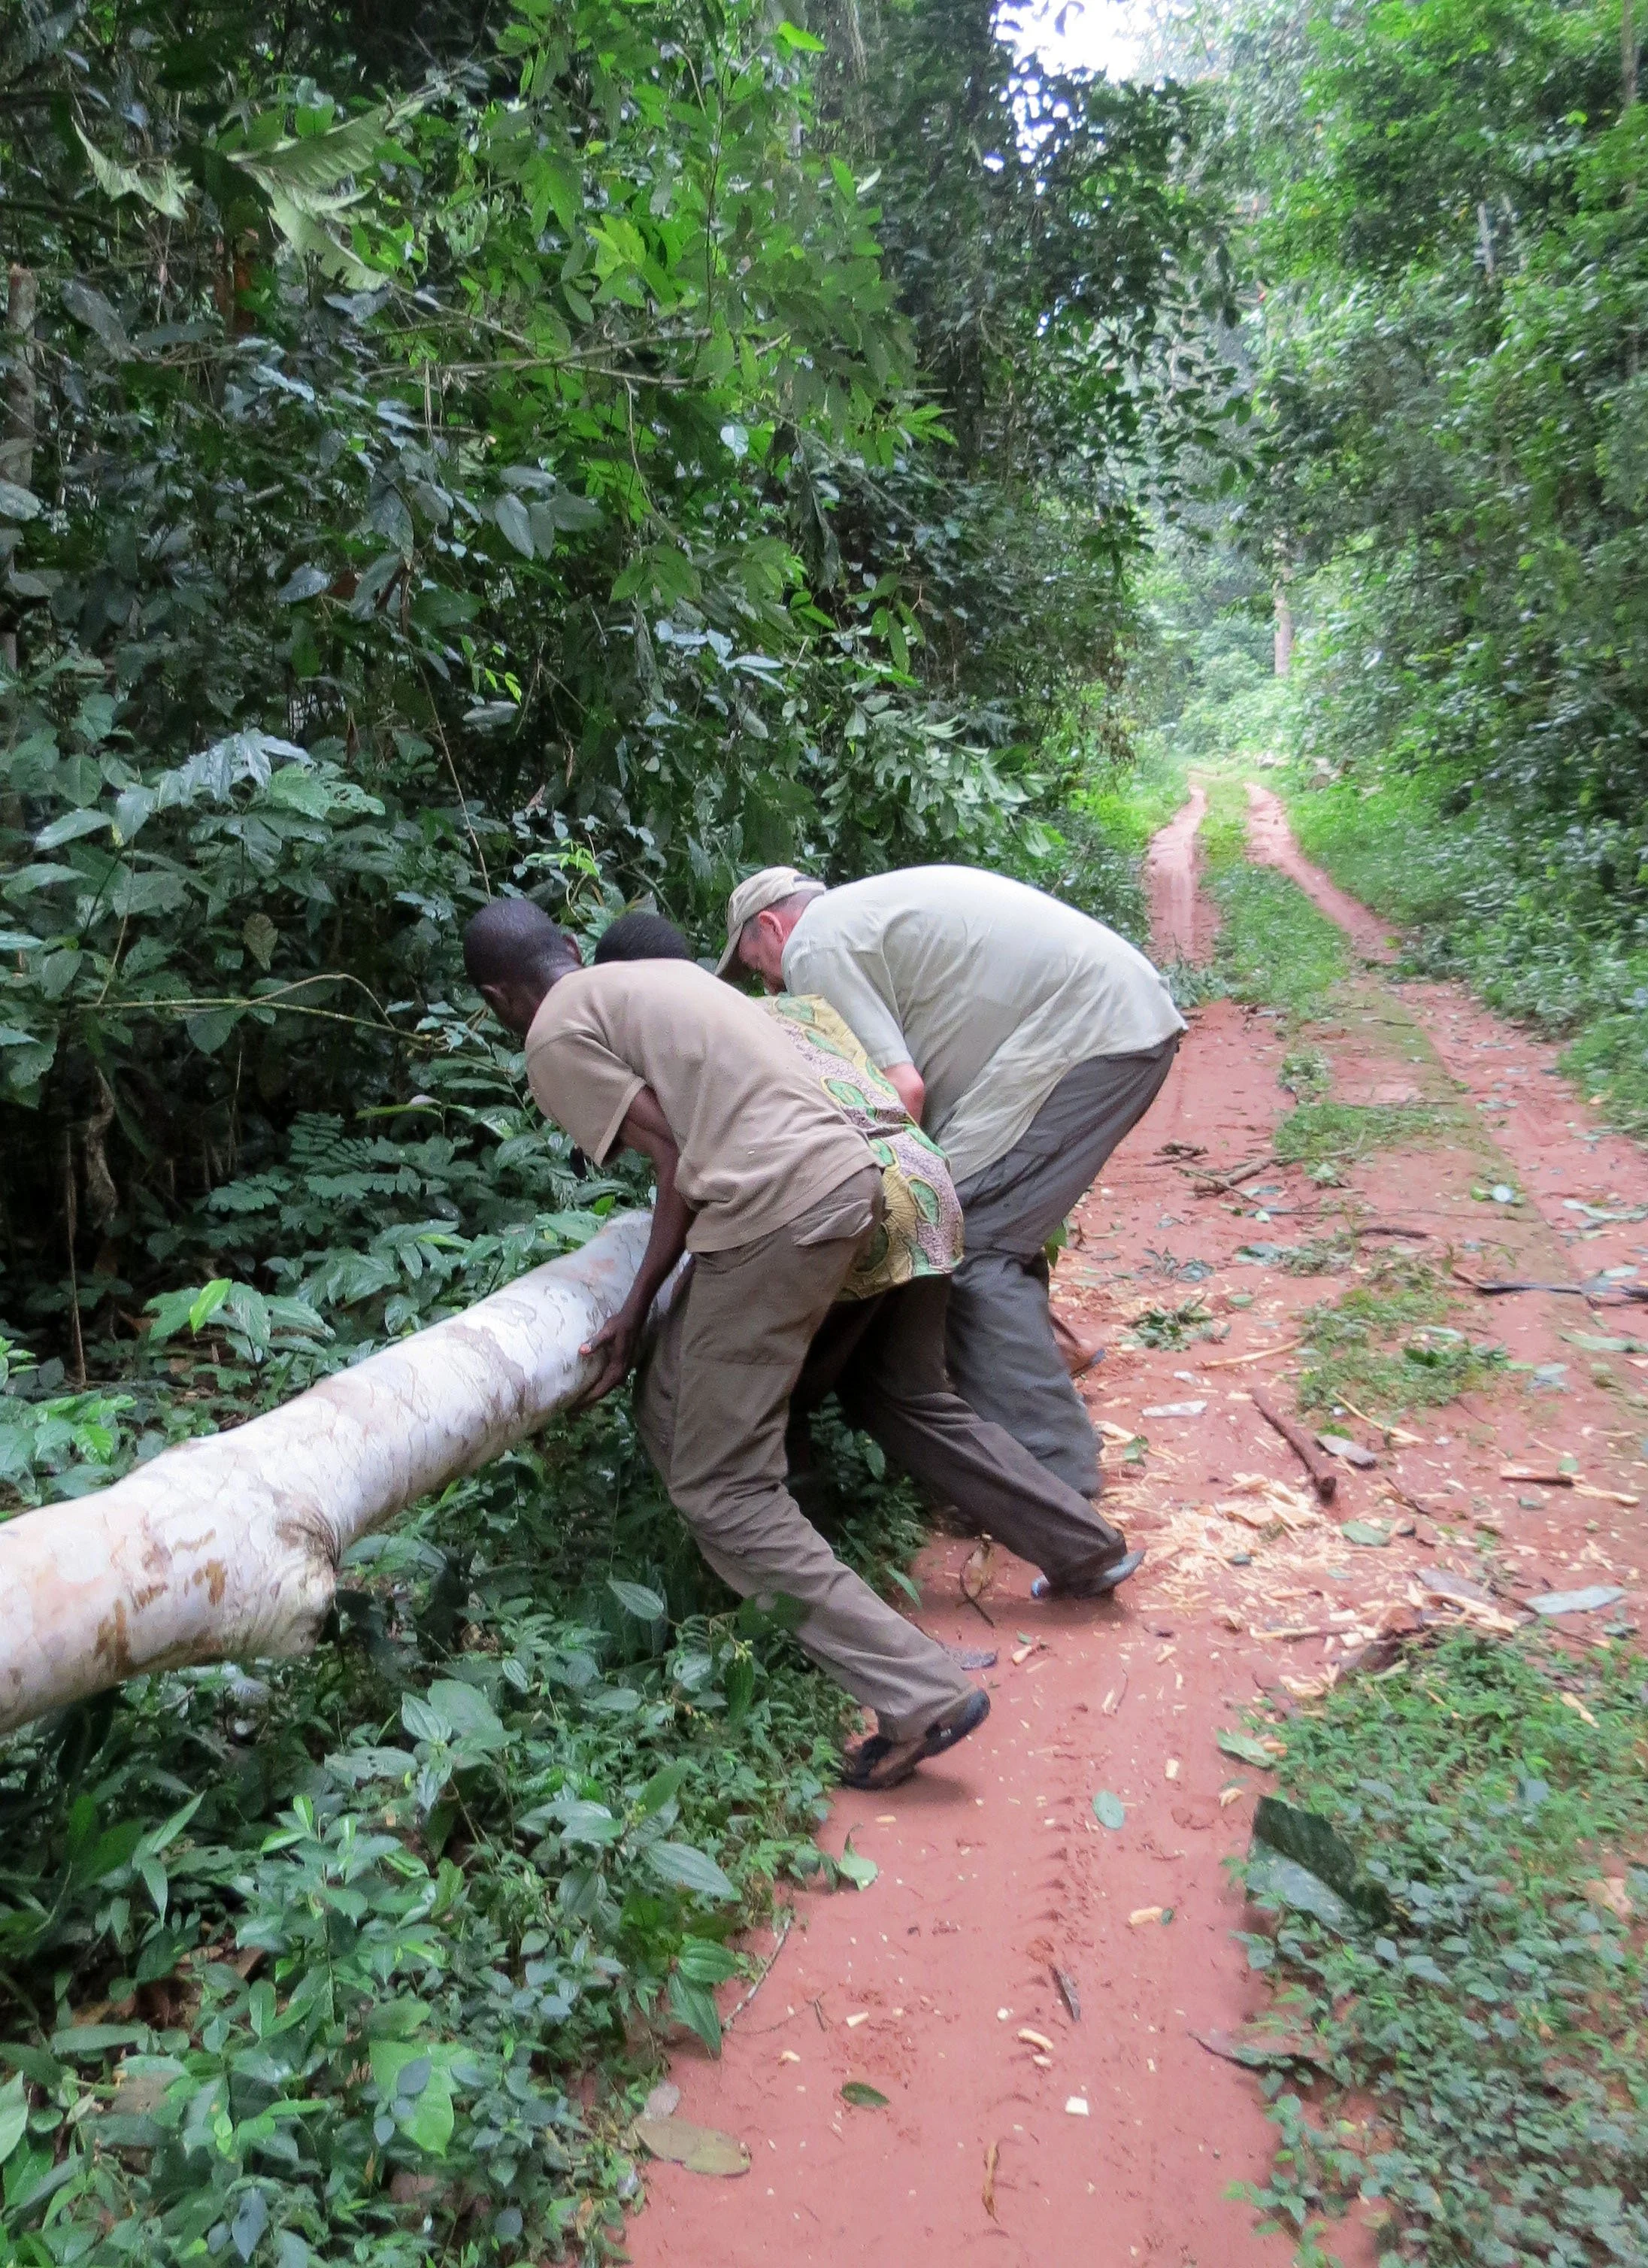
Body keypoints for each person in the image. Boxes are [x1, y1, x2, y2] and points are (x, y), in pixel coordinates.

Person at [462, 896, 988, 1790]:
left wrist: (632, 1304)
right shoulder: (660, 978)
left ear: (495, 997)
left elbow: (673, 1157)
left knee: (721, 1488)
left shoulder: (552, 1033)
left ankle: (918, 1691)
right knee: (667, 1404)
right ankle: (762, 1587)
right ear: (570, 945)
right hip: (846, 1180)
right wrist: (648, 1318)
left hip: (772, 1211)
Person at [593, 909, 1142, 1595]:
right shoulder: (781, 1009)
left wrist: (647, 1297)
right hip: (923, 1187)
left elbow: (692, 1167)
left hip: (848, 1203)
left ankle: (795, 1593)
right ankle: (1085, 1548)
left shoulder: (674, 1038)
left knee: (761, 1385)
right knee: (908, 1398)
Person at [717, 864, 1184, 1554]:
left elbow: (900, 1094)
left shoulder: (816, 942)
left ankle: (1057, 1476)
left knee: (970, 1244)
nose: (768, 987)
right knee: (989, 1226)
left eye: (757, 965)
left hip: (1090, 1032)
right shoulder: (861, 916)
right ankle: (1026, 1433)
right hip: (1112, 1017)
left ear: (771, 926)